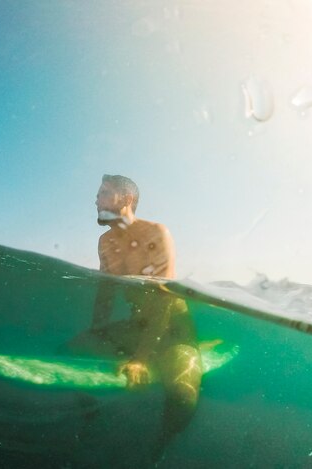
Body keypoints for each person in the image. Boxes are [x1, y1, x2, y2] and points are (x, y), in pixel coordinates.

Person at [89, 174, 203, 453]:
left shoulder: (156, 233)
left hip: (174, 331)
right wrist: (96, 333)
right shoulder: (105, 242)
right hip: (137, 325)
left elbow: (165, 299)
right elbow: (105, 295)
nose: (95, 199)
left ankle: (157, 451)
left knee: (182, 398)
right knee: (68, 350)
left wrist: (140, 359)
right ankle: (89, 422)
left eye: (104, 193)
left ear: (126, 199)